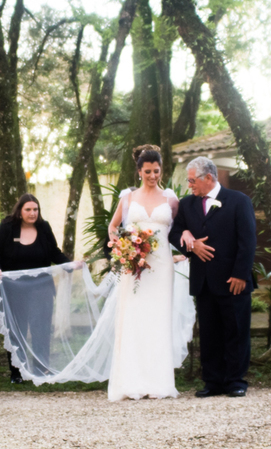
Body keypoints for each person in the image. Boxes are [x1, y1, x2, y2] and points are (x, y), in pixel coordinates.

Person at [169, 156, 257, 398]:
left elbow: (247, 241)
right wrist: (189, 242)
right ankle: (213, 382)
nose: (189, 186)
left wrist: (240, 274)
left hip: (233, 280)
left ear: (208, 178)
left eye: (192, 180)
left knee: (236, 331)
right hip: (204, 280)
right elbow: (174, 232)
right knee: (209, 334)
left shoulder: (239, 201)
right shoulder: (187, 204)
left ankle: (235, 381)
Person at [103, 144, 184, 401]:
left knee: (158, 318)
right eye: (147, 171)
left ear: (162, 170)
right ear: (139, 171)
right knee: (134, 318)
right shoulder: (127, 198)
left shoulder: (171, 199)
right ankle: (131, 381)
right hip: (134, 266)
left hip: (161, 267)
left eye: (156, 171)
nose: (152, 176)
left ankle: (159, 382)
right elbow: (113, 226)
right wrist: (123, 246)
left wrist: (183, 251)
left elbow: (181, 231)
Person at [0, 194, 71, 383]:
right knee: (17, 329)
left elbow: (54, 251)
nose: (32, 213)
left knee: (41, 328)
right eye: (28, 210)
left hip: (41, 287)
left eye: (35, 209)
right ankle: (17, 372)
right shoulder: (7, 228)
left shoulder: (44, 227)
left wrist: (69, 264)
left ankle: (41, 369)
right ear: (20, 211)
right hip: (14, 288)